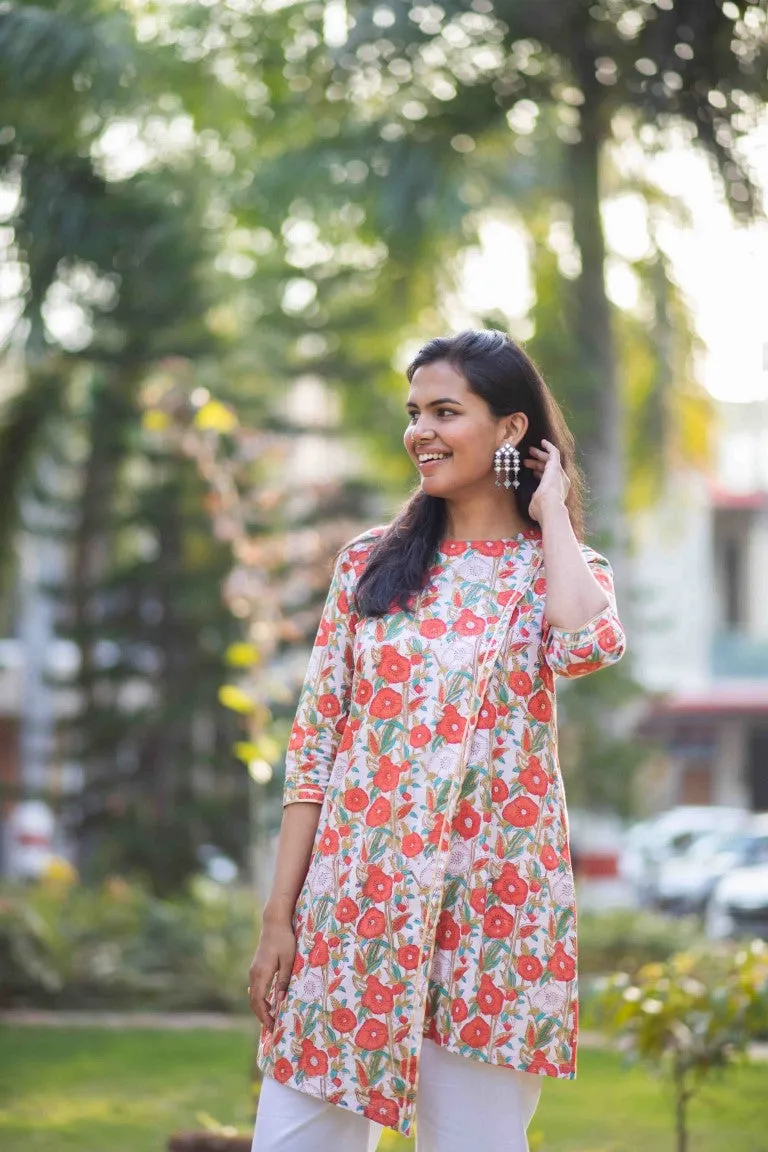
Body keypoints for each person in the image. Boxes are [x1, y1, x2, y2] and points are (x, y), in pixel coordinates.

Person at [248, 329, 626, 1152]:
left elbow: (589, 646)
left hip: (493, 919)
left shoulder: (558, 570)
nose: (420, 429)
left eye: (446, 411)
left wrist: (551, 511)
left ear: (510, 428)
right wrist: (280, 916)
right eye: (414, 411)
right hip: (354, 909)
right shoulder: (368, 568)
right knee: (291, 1141)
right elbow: (314, 753)